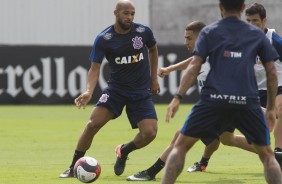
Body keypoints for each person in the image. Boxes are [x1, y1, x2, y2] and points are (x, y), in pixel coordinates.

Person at [161, 0, 282, 183]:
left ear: (220, 8)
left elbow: (194, 66)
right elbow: (272, 73)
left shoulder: (209, 32)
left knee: (180, 146)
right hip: (246, 100)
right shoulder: (255, 35)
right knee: (267, 155)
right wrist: (271, 108)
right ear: (242, 9)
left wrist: (178, 97)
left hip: (213, 99)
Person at [59, 0, 160, 178]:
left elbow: (153, 49)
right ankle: (73, 167)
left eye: (132, 14)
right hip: (116, 91)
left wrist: (153, 79)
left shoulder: (143, 31)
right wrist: (89, 91)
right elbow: (95, 68)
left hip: (140, 91)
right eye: (126, 13)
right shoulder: (104, 38)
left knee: (150, 133)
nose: (129, 17)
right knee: (92, 125)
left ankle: (123, 151)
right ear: (116, 14)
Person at [126, 21, 221, 181]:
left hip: (215, 106)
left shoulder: (216, 53)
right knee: (224, 139)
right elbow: (192, 62)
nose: (186, 42)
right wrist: (170, 69)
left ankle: (151, 173)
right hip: (222, 107)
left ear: (201, 36)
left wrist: (178, 98)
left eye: (189, 38)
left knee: (180, 137)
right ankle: (275, 155)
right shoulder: (205, 54)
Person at [245, 2, 282, 169]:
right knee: (249, 138)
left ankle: (279, 152)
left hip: (279, 87)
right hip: (256, 92)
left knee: (280, 110)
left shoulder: (275, 40)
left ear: (264, 21)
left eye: (255, 21)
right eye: (248, 21)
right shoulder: (243, 41)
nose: (252, 25)